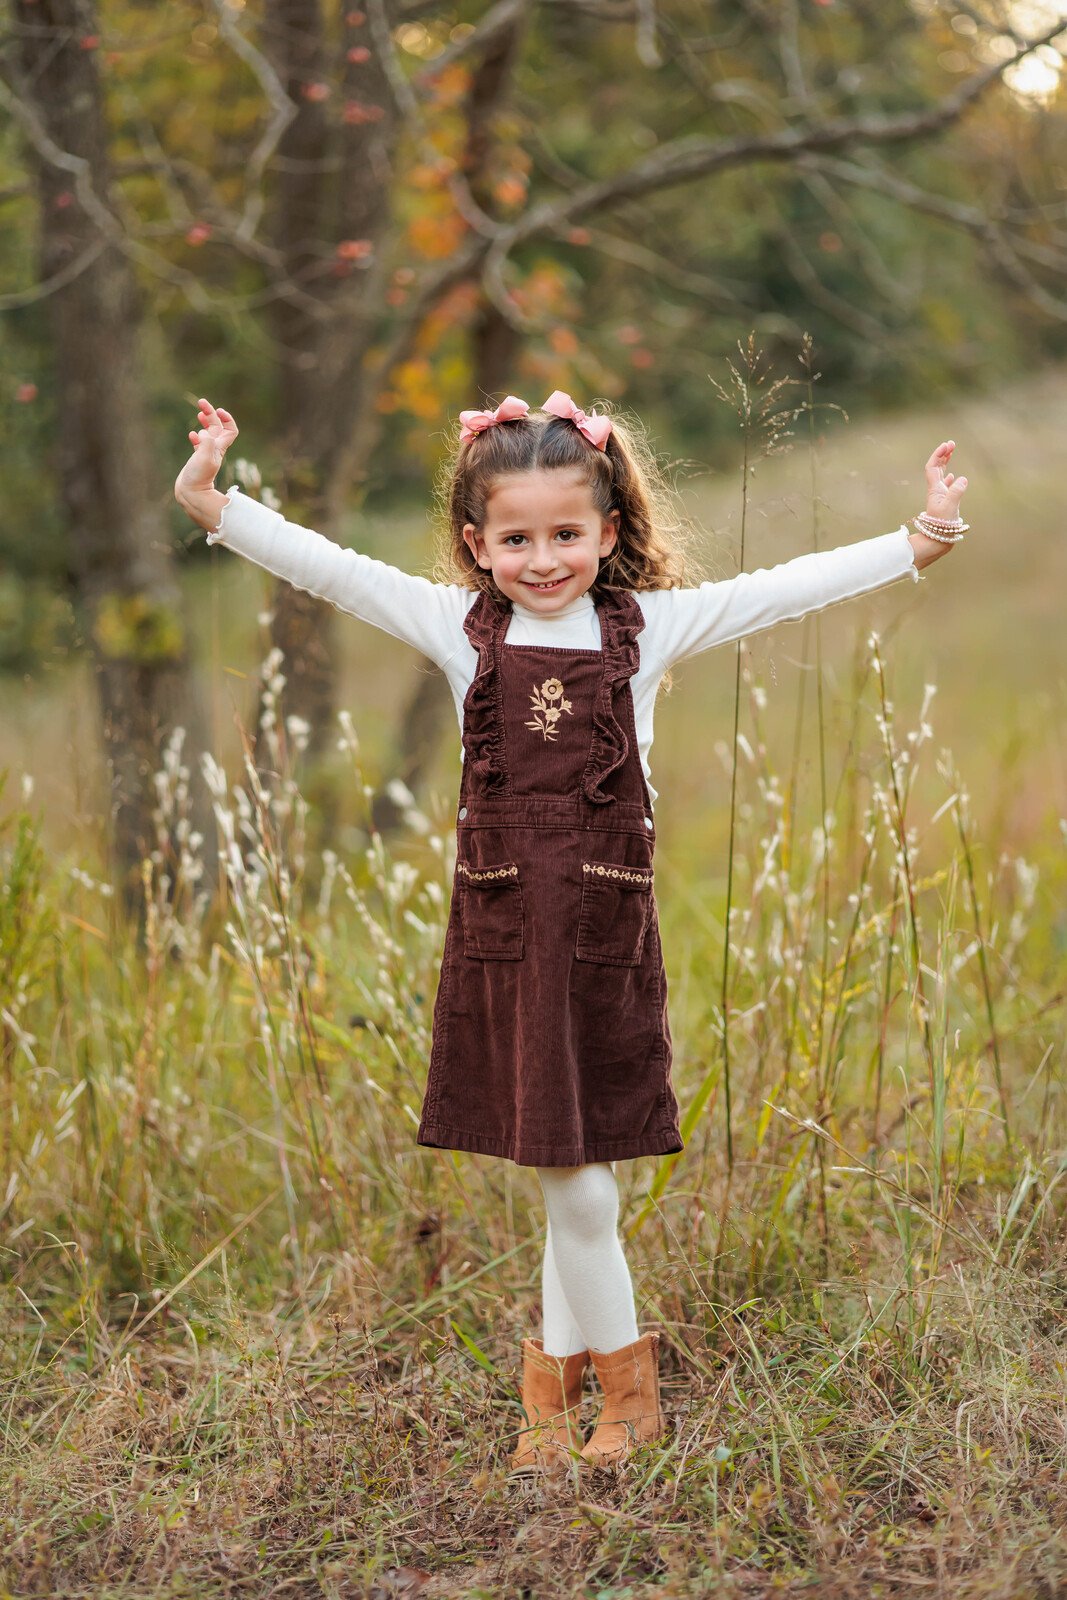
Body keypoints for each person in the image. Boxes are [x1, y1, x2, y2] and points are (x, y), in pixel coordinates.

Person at [174, 390, 968, 1478]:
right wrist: (212, 501)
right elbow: (331, 568)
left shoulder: (646, 629)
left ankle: (607, 1405)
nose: (541, 560)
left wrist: (918, 539)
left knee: (573, 1169)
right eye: (515, 540)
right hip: (504, 925)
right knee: (567, 1167)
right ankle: (564, 1404)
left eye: (564, 534)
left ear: (606, 530)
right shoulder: (458, 629)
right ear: (475, 544)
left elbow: (783, 587)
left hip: (602, 925)